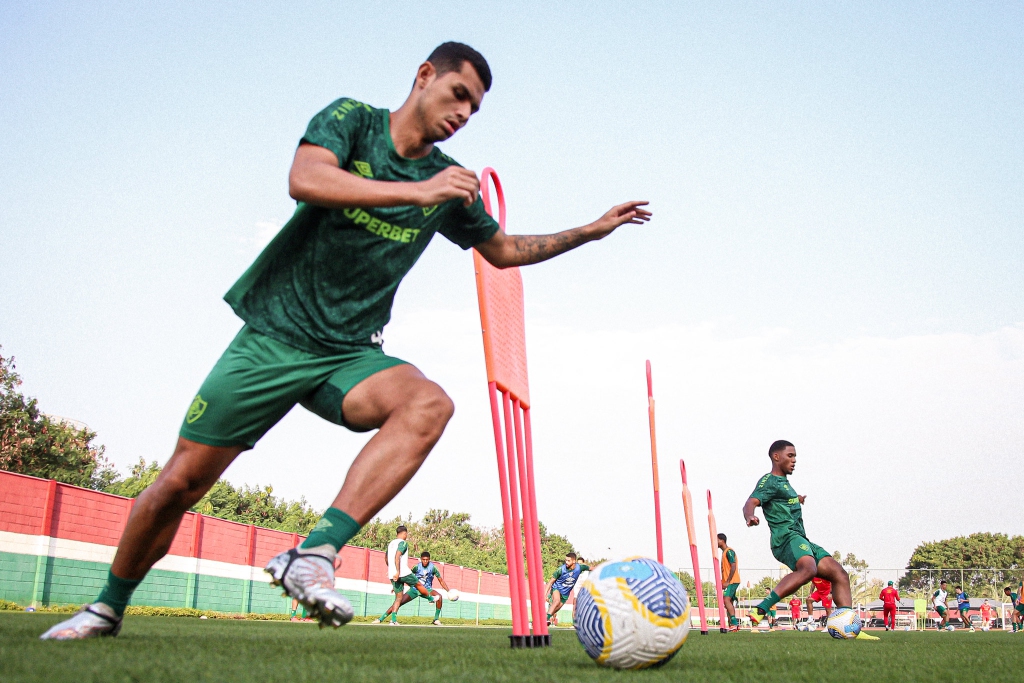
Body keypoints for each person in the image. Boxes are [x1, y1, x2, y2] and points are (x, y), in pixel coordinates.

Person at [39, 42, 651, 640]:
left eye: (475, 110)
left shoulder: (448, 183)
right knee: (178, 485)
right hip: (273, 339)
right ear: (423, 76)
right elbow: (305, 179)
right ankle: (106, 608)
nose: (463, 114)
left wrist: (591, 232)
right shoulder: (353, 123)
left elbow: (506, 251)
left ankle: (316, 552)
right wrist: (416, 193)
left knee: (429, 404)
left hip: (348, 356)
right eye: (458, 93)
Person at [742, 440, 877, 640]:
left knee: (839, 574)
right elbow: (751, 501)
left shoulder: (784, 484)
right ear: (776, 457)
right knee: (808, 569)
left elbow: (783, 498)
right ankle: (762, 607)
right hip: (786, 537)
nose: (794, 460)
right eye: (790, 456)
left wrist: (798, 499)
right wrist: (749, 516)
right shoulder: (768, 481)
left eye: (795, 456)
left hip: (801, 537)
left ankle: (850, 626)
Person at [375, 526, 436, 625]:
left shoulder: (391, 544)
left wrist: (391, 569)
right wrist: (398, 571)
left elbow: (386, 558)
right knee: (418, 585)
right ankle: (431, 598)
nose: (406, 536)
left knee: (399, 597)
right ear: (404, 533)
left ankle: (393, 620)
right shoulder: (403, 543)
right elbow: (397, 556)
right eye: (406, 534)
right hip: (403, 572)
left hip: (392, 573)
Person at [375, 550, 451, 626]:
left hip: (427, 589)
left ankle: (436, 619)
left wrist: (448, 591)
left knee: (439, 597)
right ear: (421, 559)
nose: (425, 561)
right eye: (423, 559)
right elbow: (406, 577)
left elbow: (441, 580)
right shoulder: (416, 567)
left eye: (427, 559)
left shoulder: (433, 568)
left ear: (429, 559)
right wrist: (395, 586)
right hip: (415, 589)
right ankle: (380, 619)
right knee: (399, 602)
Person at [545, 553, 590, 626]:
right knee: (556, 600)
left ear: (574, 561)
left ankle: (542, 620)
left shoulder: (580, 568)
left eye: (568, 561)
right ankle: (545, 619)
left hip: (565, 594)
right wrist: (544, 594)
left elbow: (592, 568)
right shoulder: (561, 569)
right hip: (557, 588)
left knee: (555, 609)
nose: (566, 562)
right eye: (565, 560)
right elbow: (550, 582)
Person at [717, 533, 742, 630]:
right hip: (729, 581)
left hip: (732, 581)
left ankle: (734, 623)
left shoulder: (729, 551)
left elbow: (733, 566)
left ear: (722, 540)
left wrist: (728, 581)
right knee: (728, 601)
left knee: (726, 600)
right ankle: (732, 625)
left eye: (716, 540)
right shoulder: (724, 553)